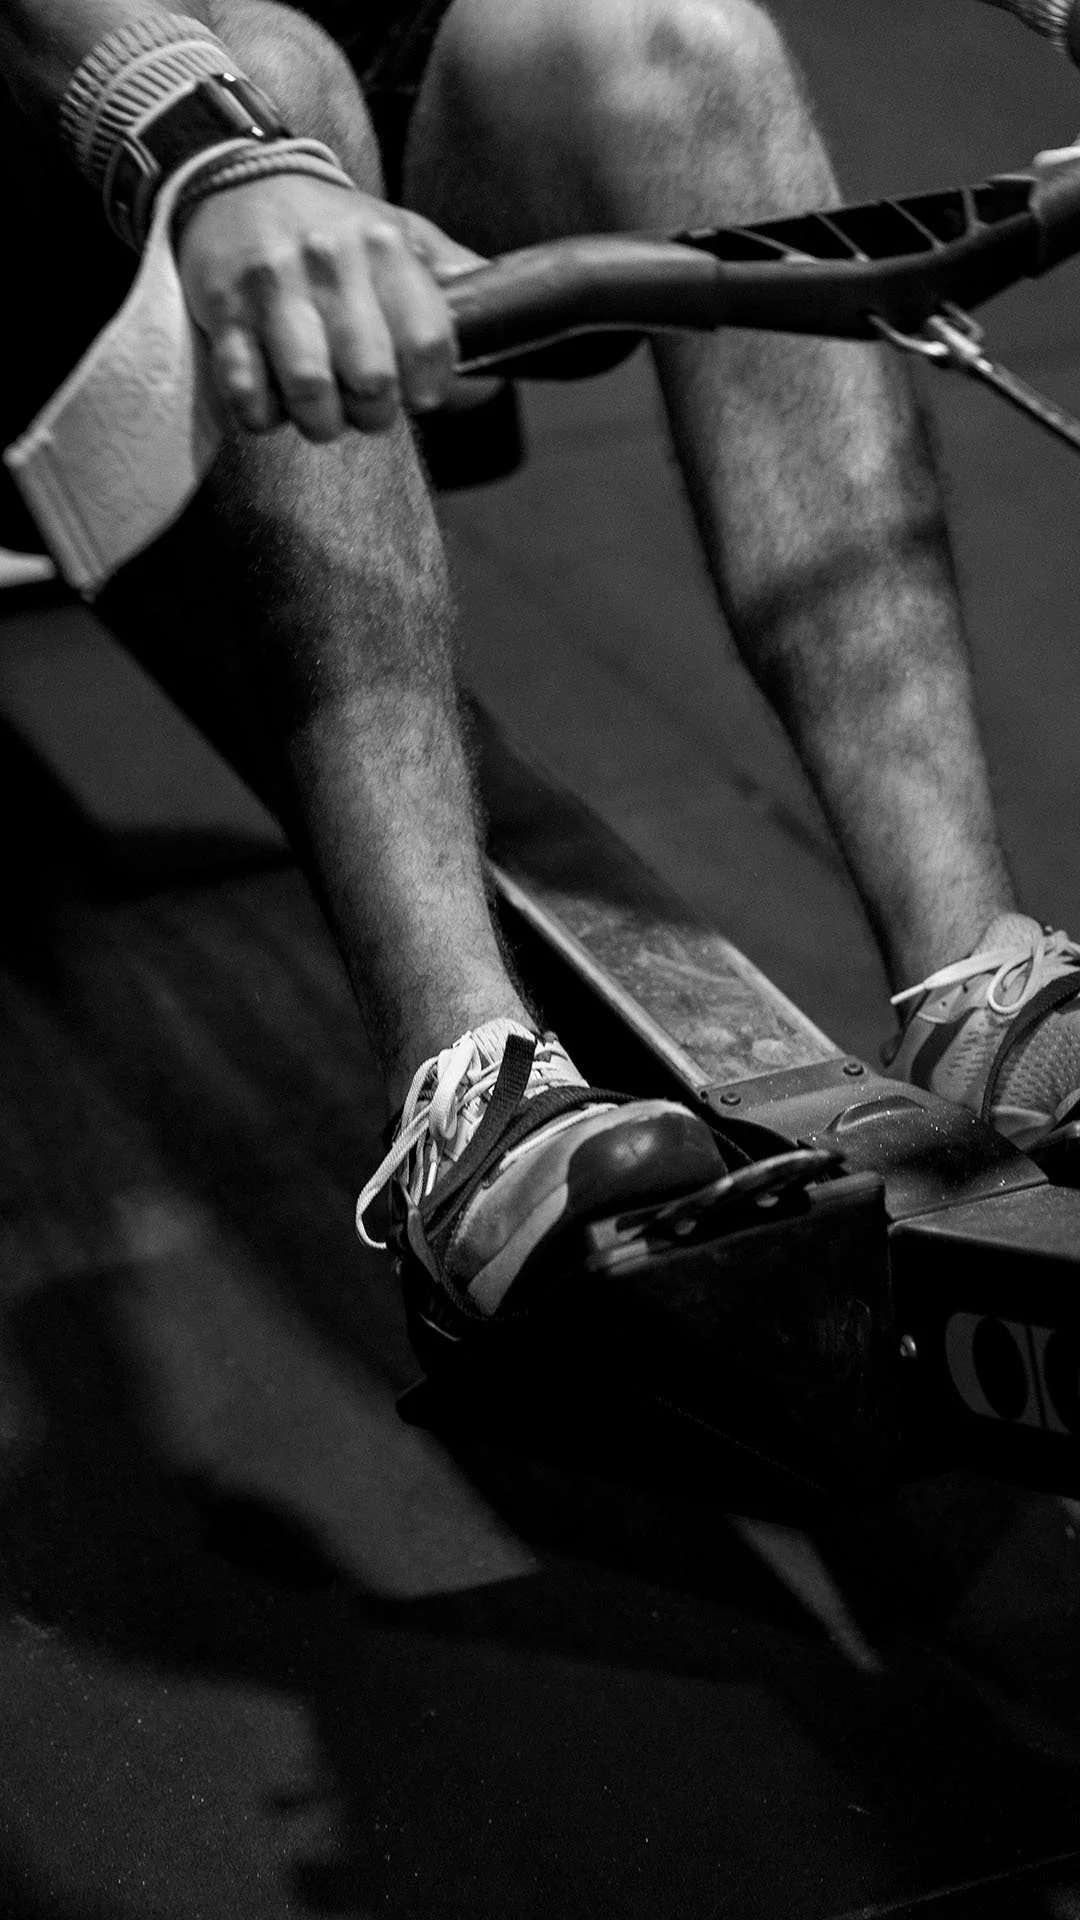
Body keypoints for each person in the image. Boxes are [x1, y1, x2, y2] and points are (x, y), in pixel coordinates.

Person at [1, 0, 1079, 1346]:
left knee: (688, 45)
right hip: (80, 91)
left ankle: (973, 981)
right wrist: (203, 138)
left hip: (342, 64)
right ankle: (465, 1097)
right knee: (278, 79)